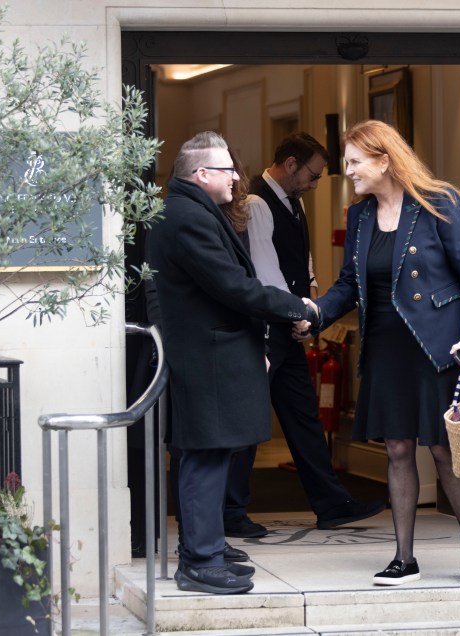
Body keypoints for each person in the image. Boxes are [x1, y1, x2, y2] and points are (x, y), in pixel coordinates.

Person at [312, 120, 460, 586]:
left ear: (384, 160)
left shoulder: (437, 204)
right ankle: (404, 558)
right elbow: (350, 284)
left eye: (354, 162)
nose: (347, 171)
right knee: (397, 448)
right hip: (387, 346)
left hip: (435, 345)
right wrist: (314, 314)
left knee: (442, 448)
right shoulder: (360, 216)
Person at [148, 131, 314, 594]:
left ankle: (205, 548)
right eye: (227, 170)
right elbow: (231, 286)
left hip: (212, 353)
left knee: (211, 456)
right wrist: (295, 307)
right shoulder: (188, 217)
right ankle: (200, 562)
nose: (237, 177)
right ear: (202, 174)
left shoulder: (190, 210)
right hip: (208, 355)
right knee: (205, 457)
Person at [223, 132, 385, 538]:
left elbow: (302, 263)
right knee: (251, 421)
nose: (315, 185)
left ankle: (331, 503)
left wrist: (311, 303)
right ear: (291, 164)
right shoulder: (259, 202)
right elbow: (265, 270)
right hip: (266, 328)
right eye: (312, 175)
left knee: (303, 418)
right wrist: (298, 314)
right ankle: (231, 511)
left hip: (289, 326)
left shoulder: (292, 203)